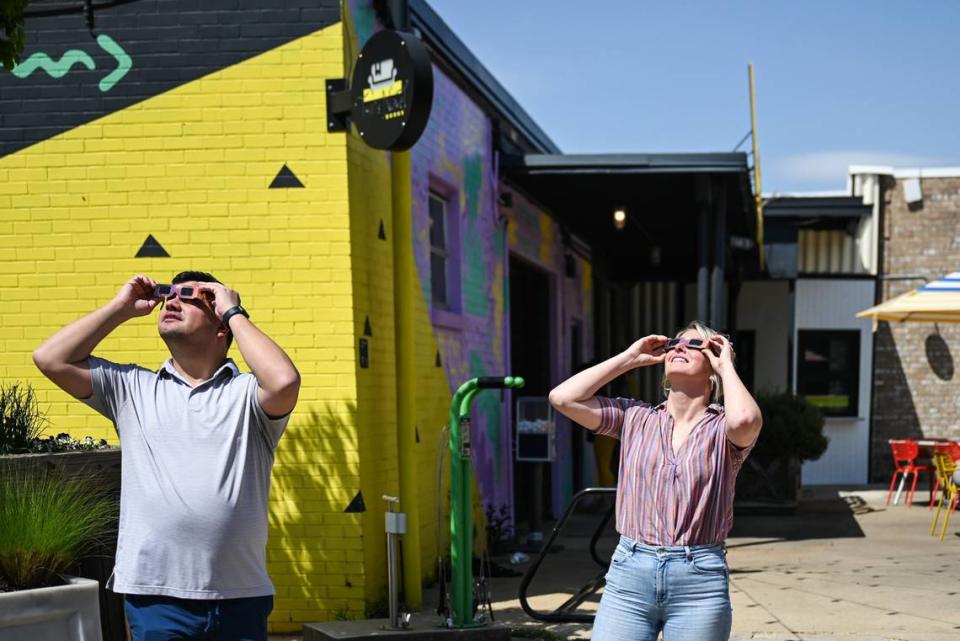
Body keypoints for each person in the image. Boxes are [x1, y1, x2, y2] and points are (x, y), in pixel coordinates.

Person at [33, 272, 301, 641]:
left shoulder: (247, 395)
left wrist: (235, 312)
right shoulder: (132, 389)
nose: (171, 302)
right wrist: (120, 308)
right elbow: (49, 358)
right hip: (155, 598)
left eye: (189, 297)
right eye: (167, 295)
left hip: (240, 597)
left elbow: (284, 380)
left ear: (222, 328)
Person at [548, 321, 762, 641]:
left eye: (693, 345)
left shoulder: (723, 429)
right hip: (630, 574)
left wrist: (727, 366)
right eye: (675, 343)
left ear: (713, 363)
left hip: (699, 579)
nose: (679, 347)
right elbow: (563, 398)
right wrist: (628, 358)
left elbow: (746, 420)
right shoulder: (635, 417)